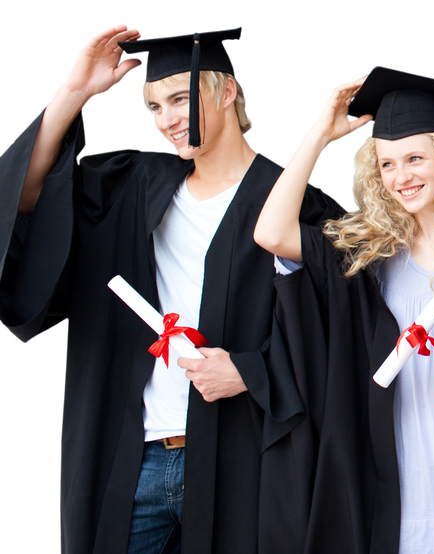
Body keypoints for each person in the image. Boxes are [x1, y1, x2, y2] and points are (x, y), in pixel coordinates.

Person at [0, 24, 339, 553]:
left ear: (226, 91)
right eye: (155, 108)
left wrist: (252, 370)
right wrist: (74, 90)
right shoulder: (131, 183)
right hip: (131, 455)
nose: (166, 121)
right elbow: (24, 194)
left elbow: (339, 335)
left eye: (179, 99)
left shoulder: (297, 206)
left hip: (241, 457)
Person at [253, 64, 434, 554]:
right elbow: (271, 232)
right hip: (392, 459)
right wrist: (316, 136)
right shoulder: (371, 255)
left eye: (415, 158)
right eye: (387, 164)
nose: (401, 177)